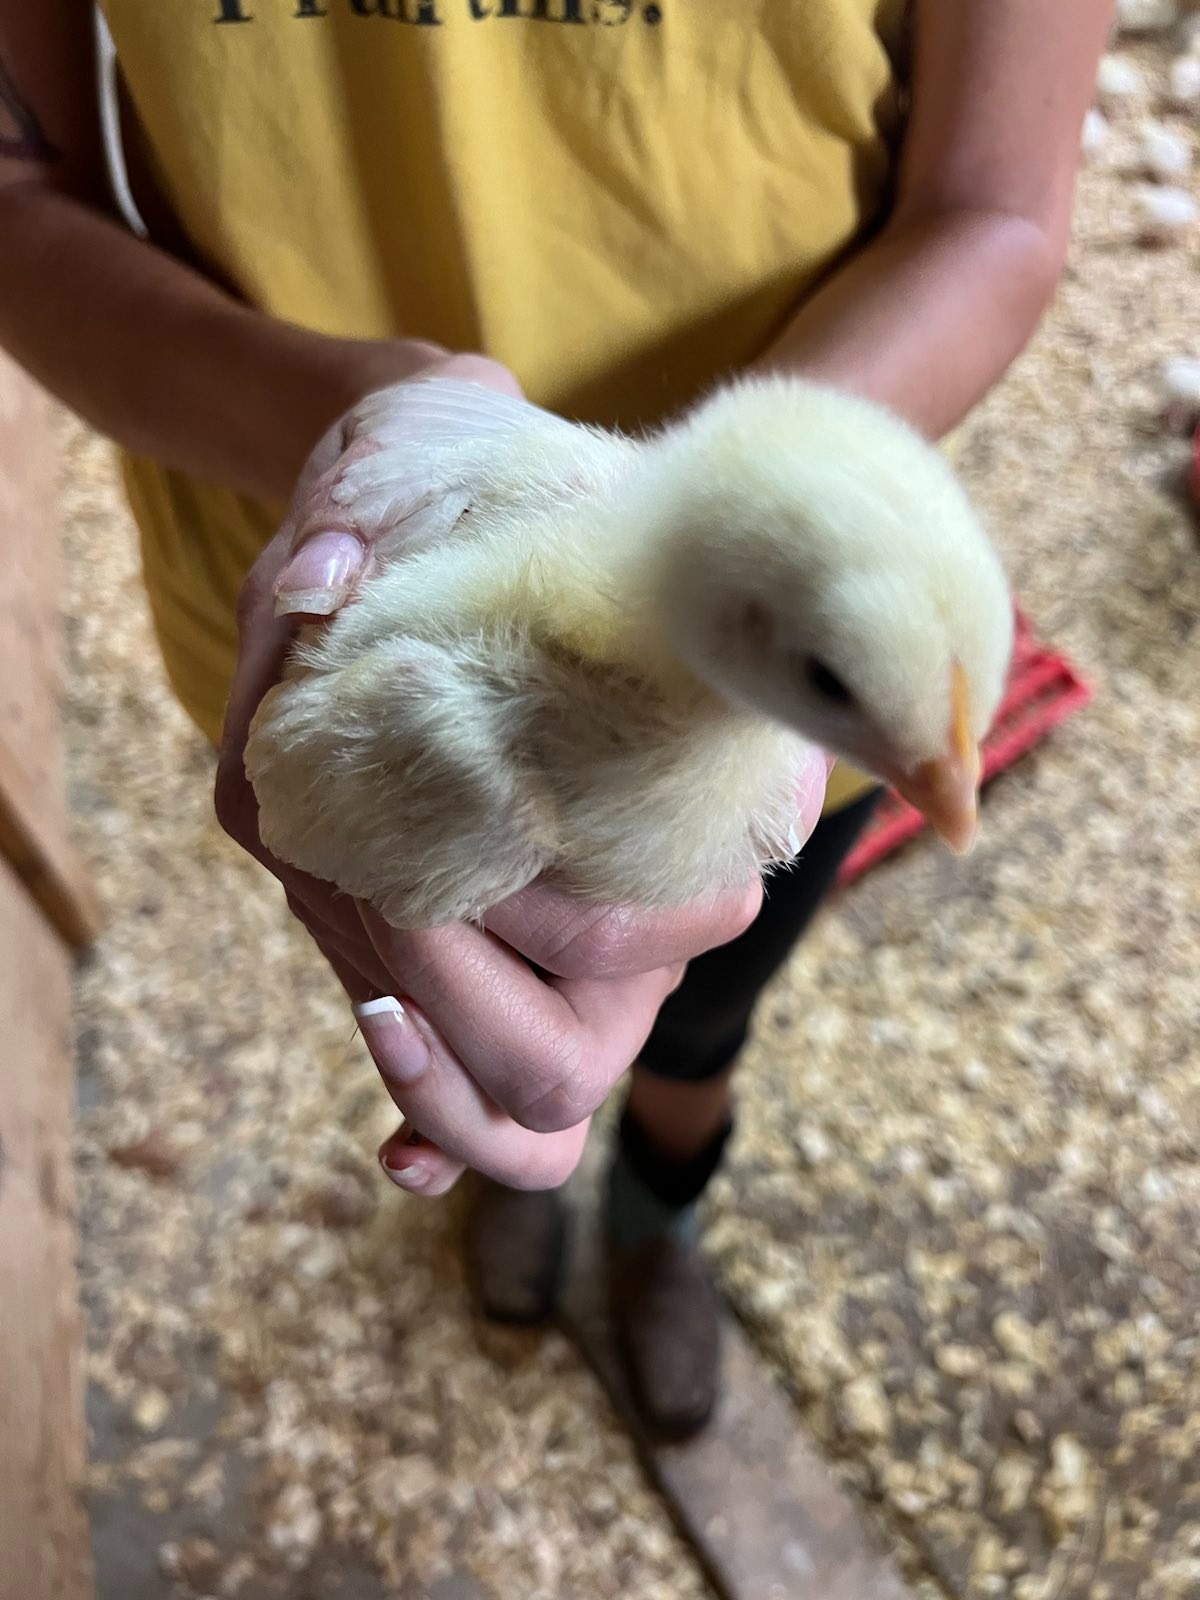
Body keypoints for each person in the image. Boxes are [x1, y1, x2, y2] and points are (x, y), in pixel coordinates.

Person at [0, 0, 1110, 1440]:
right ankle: (568, 1185)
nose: (946, 813)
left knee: (711, 1000)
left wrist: (760, 572)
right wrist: (361, 416)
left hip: (795, 663)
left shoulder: (830, 669)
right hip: (335, 552)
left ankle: (660, 1201)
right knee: (475, 978)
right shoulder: (440, 712)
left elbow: (997, 209)